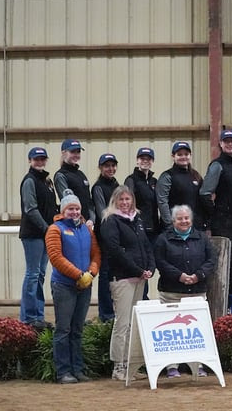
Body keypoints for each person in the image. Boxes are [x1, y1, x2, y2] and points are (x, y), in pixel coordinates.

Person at [154, 205, 217, 377]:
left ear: (191, 219)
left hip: (197, 292)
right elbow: (160, 262)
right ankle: (171, 367)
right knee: (172, 334)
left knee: (196, 333)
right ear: (173, 221)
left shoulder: (202, 238)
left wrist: (198, 275)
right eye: (180, 219)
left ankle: (198, 366)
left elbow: (211, 260)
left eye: (186, 218)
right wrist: (179, 276)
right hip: (171, 293)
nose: (184, 221)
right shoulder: (163, 239)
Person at [45, 190, 100, 384]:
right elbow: (56, 257)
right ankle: (63, 372)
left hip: (85, 285)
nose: (75, 212)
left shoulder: (86, 229)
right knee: (63, 330)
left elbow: (96, 254)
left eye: (77, 208)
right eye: (70, 209)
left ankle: (77, 369)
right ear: (63, 210)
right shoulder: (55, 229)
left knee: (77, 329)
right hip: (64, 286)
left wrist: (91, 273)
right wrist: (78, 275)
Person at [100, 186, 154, 381]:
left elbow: (146, 246)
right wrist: (137, 270)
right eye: (121, 199)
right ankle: (119, 366)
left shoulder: (137, 220)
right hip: (122, 278)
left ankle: (130, 365)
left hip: (139, 279)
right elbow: (115, 251)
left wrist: (150, 268)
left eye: (128, 199)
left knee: (133, 324)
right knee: (122, 324)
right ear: (115, 201)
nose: (125, 202)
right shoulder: (110, 221)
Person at [201, 129, 232, 295]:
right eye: (226, 141)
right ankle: (220, 301)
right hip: (223, 222)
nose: (230, 144)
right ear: (221, 144)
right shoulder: (217, 165)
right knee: (223, 264)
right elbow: (205, 193)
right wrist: (216, 213)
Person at [19, 147, 59, 328]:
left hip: (45, 234)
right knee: (33, 274)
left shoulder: (47, 181)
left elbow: (51, 207)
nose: (40, 162)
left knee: (40, 274)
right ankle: (28, 318)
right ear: (30, 160)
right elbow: (30, 209)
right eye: (36, 159)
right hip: (34, 235)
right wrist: (47, 229)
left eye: (43, 159)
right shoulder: (29, 181)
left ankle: (38, 315)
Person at [124, 147, 159, 298]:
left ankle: (145, 297)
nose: (145, 161)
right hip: (138, 230)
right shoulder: (131, 180)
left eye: (148, 158)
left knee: (151, 264)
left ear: (152, 161)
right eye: (142, 158)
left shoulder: (154, 182)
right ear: (137, 160)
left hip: (154, 230)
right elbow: (128, 203)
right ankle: (140, 298)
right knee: (140, 265)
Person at [92, 153, 120, 322]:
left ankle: (113, 311)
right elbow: (103, 213)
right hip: (105, 236)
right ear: (101, 168)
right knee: (105, 274)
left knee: (114, 275)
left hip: (117, 235)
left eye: (112, 165)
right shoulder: (98, 187)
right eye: (107, 166)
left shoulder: (117, 185)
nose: (110, 168)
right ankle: (105, 313)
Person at [156, 141, 206, 232]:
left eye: (186, 154)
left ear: (190, 155)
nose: (183, 157)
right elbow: (162, 202)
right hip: (175, 228)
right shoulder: (167, 176)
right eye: (179, 154)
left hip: (196, 227)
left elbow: (202, 200)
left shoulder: (196, 175)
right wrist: (170, 224)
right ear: (173, 156)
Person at [54, 139, 95, 229]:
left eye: (78, 152)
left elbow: (89, 201)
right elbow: (67, 202)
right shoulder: (61, 176)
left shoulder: (81, 174)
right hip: (72, 225)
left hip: (87, 224)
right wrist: (79, 220)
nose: (76, 155)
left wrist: (91, 219)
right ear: (64, 153)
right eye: (72, 152)